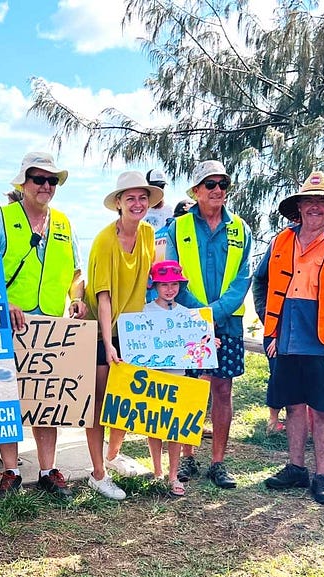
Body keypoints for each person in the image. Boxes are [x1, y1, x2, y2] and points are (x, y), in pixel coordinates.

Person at [254, 171, 324, 505]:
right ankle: (296, 467)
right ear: (299, 207)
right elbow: (260, 283)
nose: (315, 207)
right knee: (293, 406)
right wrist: (270, 324)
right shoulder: (280, 241)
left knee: (323, 411)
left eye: (322, 201)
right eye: (309, 201)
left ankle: (322, 475)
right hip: (285, 341)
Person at [0, 151, 86, 498]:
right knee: (7, 398)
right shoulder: (1, 219)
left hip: (51, 326)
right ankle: (10, 471)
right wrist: (4, 302)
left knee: (48, 400)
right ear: (23, 183)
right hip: (9, 323)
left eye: (51, 180)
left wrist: (76, 297)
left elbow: (75, 272)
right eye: (38, 179)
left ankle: (46, 469)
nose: (45, 186)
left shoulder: (64, 224)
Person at [165, 160, 252, 488]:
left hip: (227, 323)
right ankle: (187, 457)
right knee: (191, 388)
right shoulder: (176, 228)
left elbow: (242, 280)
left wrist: (213, 315)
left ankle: (218, 461)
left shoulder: (241, 229)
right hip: (188, 320)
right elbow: (172, 277)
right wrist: (200, 315)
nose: (218, 190)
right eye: (210, 184)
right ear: (197, 191)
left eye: (222, 184)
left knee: (222, 388)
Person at [83, 171, 159, 500]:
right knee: (99, 402)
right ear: (119, 203)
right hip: (102, 328)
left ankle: (113, 457)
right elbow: (103, 298)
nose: (138, 203)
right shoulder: (104, 240)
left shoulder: (148, 235)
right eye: (130, 198)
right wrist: (108, 343)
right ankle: (97, 473)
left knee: (123, 400)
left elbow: (152, 283)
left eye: (143, 197)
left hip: (133, 329)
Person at [143, 260, 196, 495]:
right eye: (164, 284)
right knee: (154, 424)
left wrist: (208, 342)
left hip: (178, 376)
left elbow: (197, 342)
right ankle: (157, 471)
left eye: (174, 284)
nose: (169, 289)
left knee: (175, 426)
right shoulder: (144, 312)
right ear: (155, 285)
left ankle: (173, 474)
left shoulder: (187, 314)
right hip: (154, 376)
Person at [143, 169, 174, 262]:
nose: (159, 190)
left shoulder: (170, 211)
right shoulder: (140, 211)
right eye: (155, 186)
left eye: (161, 186)